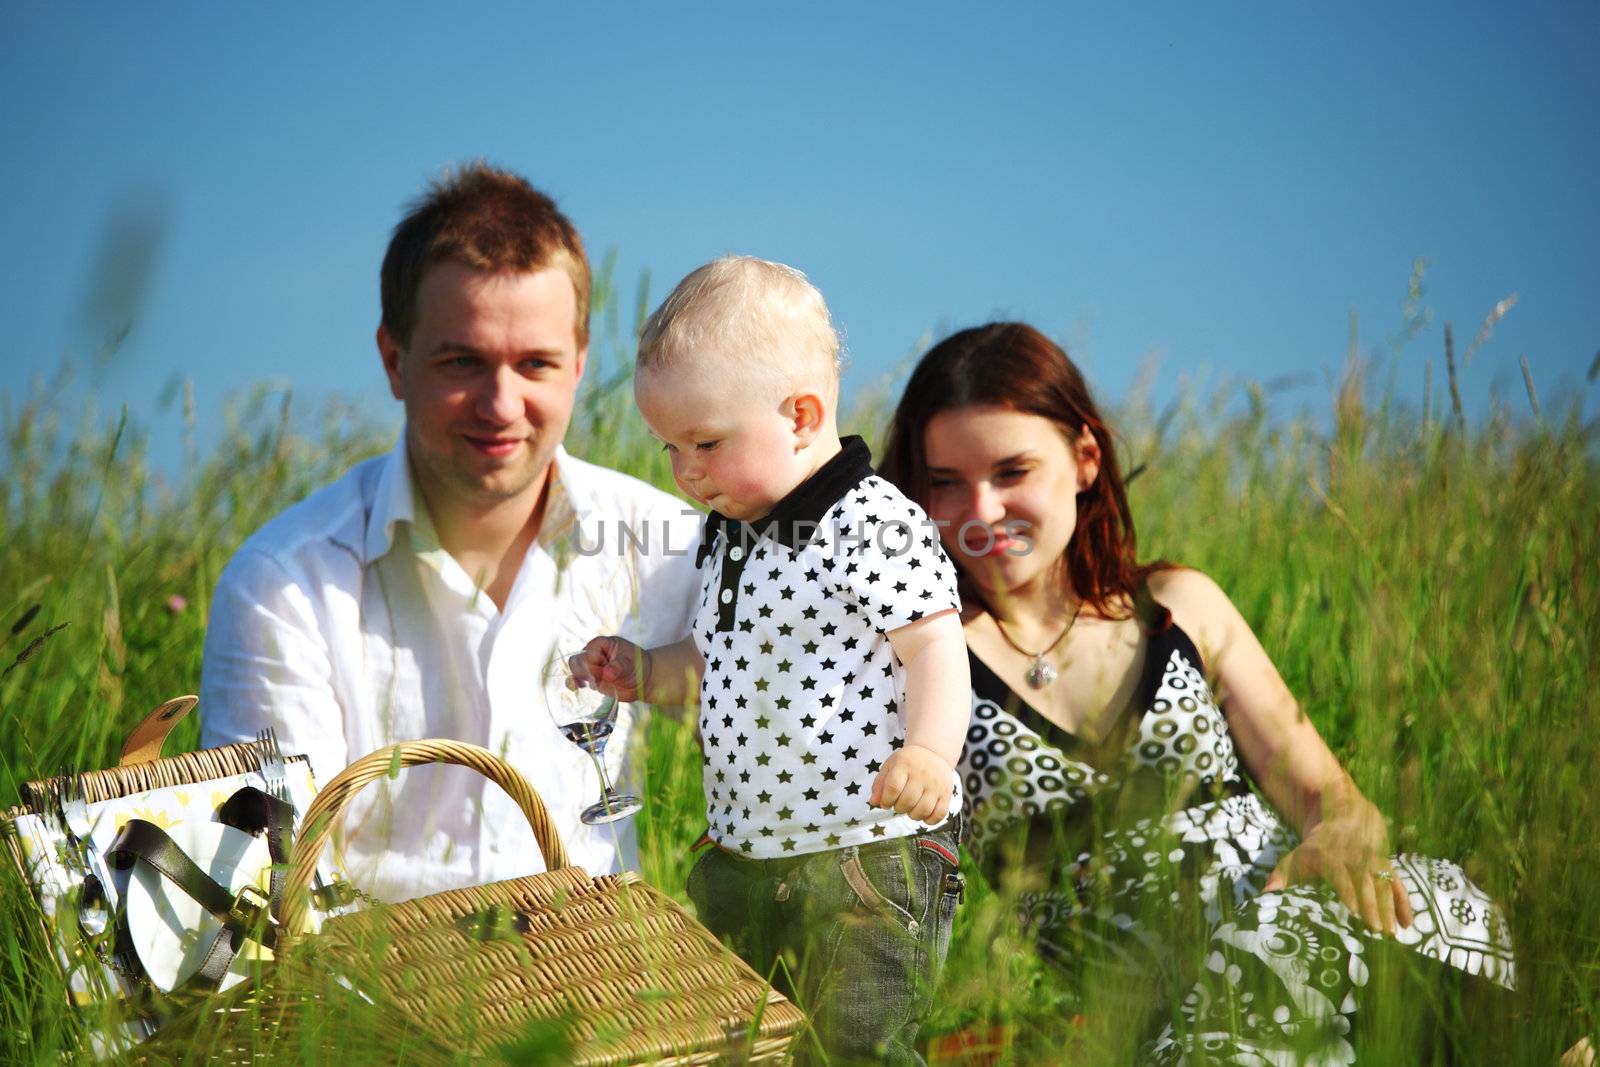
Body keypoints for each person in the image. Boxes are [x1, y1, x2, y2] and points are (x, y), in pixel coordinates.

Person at [878, 322, 1516, 1062]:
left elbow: (1331, 797)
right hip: (1166, 1006)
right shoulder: (921, 659)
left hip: (1300, 918)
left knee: (1388, 920)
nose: (982, 512)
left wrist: (1339, 836)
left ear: (1086, 460)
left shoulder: (1180, 606)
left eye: (1013, 471)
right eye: (944, 482)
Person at [199, 163, 701, 903]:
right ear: (394, 360)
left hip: (606, 992)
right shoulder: (285, 582)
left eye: (536, 363)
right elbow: (274, 880)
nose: (501, 404)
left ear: (580, 366)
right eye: (462, 361)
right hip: (365, 1003)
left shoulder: (672, 548)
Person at [570, 256, 970, 1065]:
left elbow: (934, 645)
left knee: (860, 1043)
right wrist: (648, 671)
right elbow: (714, 661)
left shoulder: (870, 519)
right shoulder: (730, 536)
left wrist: (928, 750)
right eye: (670, 448)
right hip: (745, 856)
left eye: (706, 442)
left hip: (865, 849)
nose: (685, 471)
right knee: (746, 1046)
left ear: (800, 415)